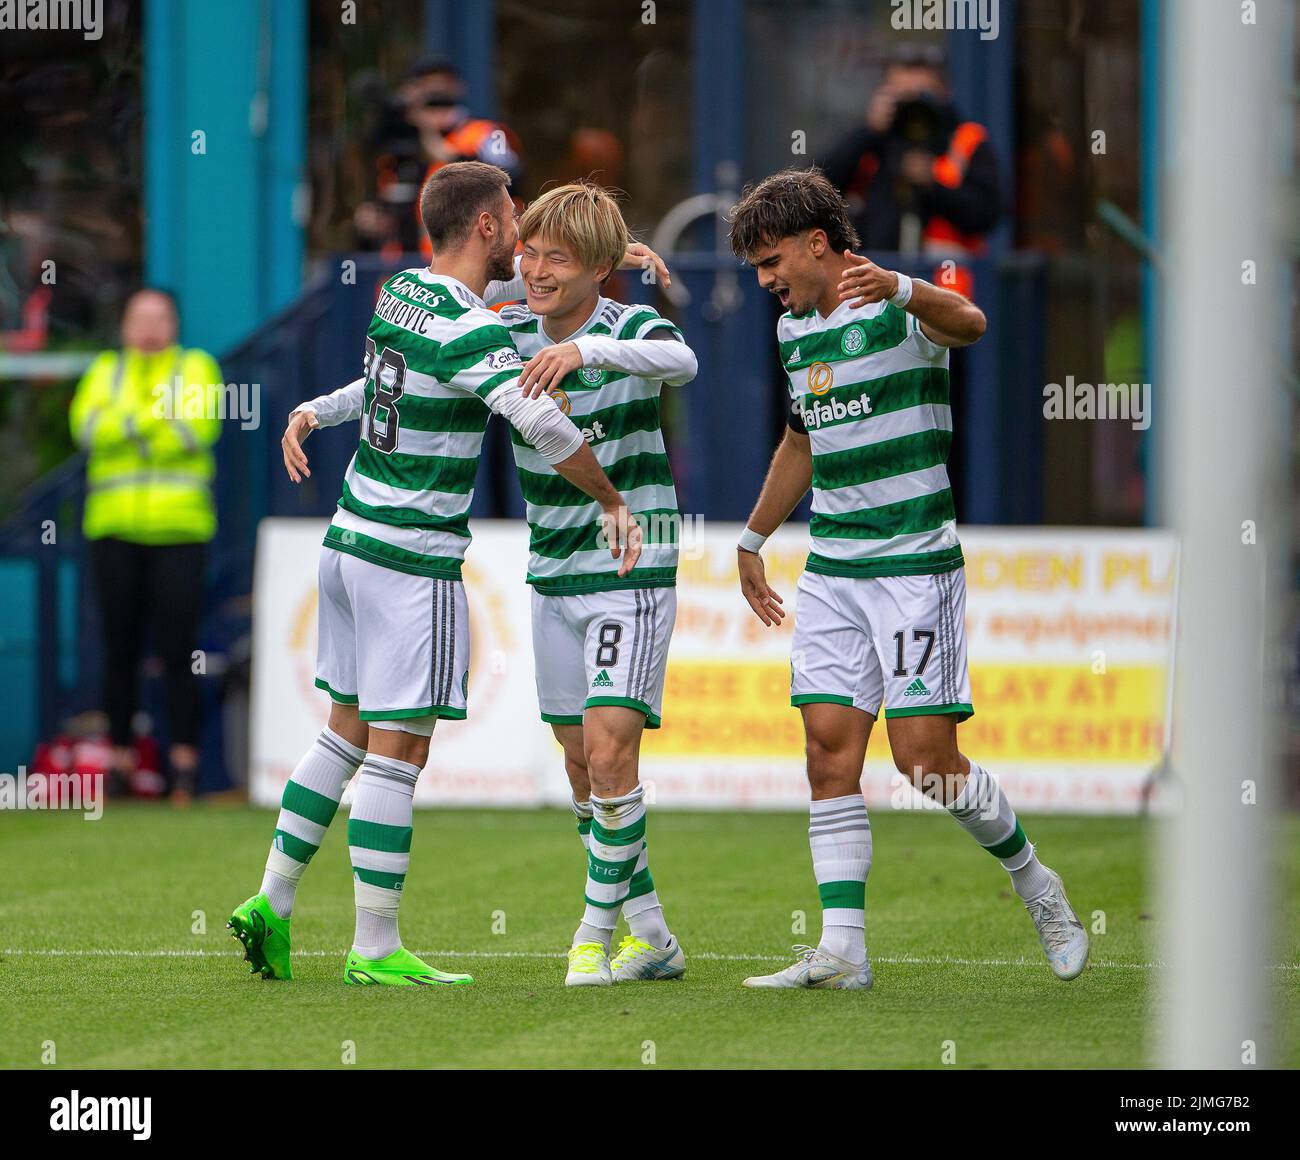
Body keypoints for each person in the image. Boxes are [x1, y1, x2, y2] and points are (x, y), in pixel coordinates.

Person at [228, 161, 642, 988]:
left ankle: (270, 902)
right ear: (487, 224)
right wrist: (613, 500)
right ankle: (375, 946)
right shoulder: (473, 328)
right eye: (514, 215)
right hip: (409, 558)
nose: (522, 233)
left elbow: (394, 376)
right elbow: (540, 421)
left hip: (345, 544)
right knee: (397, 753)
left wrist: (316, 408)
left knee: (341, 731)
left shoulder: (403, 295)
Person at [727, 167, 1087, 989]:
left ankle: (1038, 885)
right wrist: (753, 538)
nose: (765, 281)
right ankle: (843, 952)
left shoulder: (898, 300)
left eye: (771, 261)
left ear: (819, 243)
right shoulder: (793, 332)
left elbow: (972, 321)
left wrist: (902, 285)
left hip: (913, 562)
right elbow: (802, 443)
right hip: (834, 565)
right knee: (827, 753)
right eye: (756, 269)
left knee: (924, 761)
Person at [68, 288, 223, 802]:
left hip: (180, 531)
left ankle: (183, 766)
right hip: (113, 530)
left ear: (174, 324)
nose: (150, 326)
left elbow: (197, 429)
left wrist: (126, 424)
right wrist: (155, 422)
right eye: (141, 317)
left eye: (160, 317)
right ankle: (119, 765)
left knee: (179, 652)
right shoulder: (105, 370)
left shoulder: (197, 367)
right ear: (124, 324)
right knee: (119, 652)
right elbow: (86, 428)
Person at [820, 50, 1000, 255]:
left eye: (922, 96)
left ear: (945, 93)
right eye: (903, 96)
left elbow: (987, 215)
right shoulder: (873, 142)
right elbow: (817, 188)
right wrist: (868, 132)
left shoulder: (965, 140)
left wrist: (934, 184)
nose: (913, 107)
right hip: (878, 276)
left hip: (944, 282)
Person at [356, 57, 523, 255]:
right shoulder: (399, 142)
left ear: (457, 88)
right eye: (424, 86)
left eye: (441, 86)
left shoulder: (483, 133)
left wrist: (449, 155)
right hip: (415, 267)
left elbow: (512, 179)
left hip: (482, 264)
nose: (433, 93)